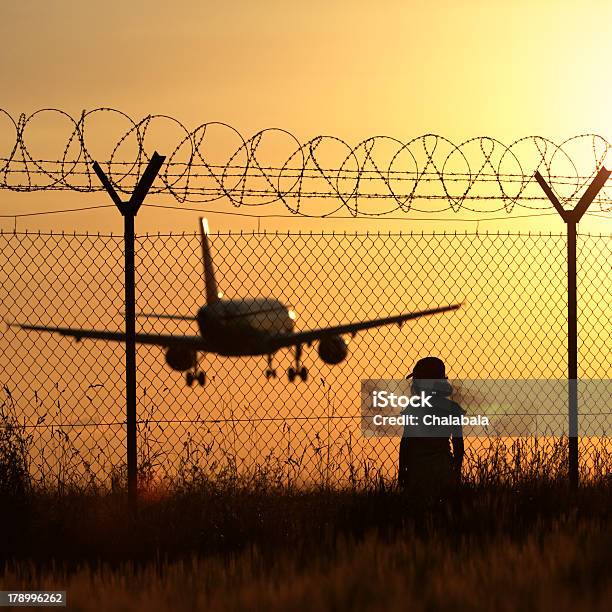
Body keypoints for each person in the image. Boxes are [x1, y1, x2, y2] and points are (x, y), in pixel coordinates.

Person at [398, 357, 464, 493]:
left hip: (417, 470)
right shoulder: (452, 408)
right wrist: (457, 471)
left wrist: (402, 470)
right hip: (443, 468)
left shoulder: (414, 407)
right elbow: (458, 443)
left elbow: (406, 442)